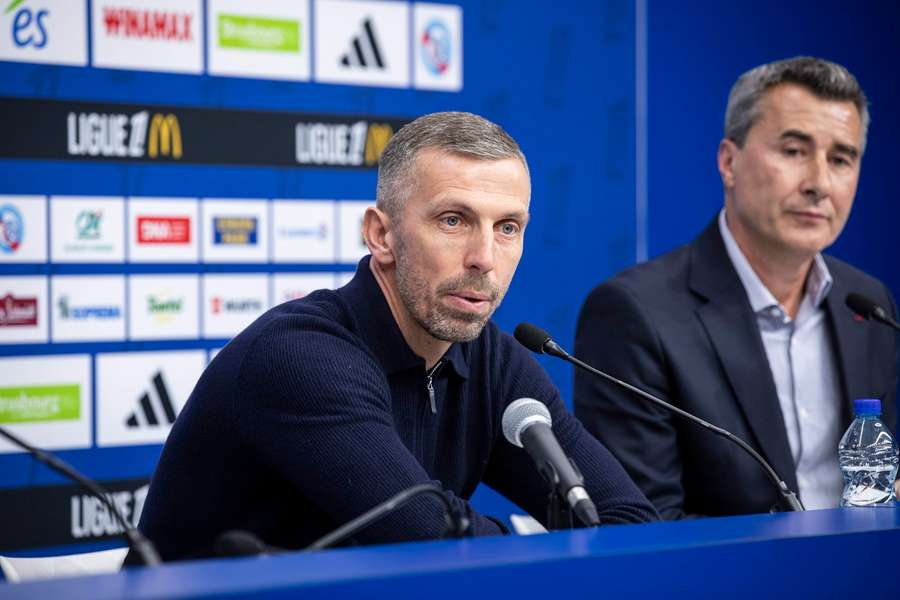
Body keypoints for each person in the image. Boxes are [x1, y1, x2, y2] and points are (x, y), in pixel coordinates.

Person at [131, 112, 656, 563]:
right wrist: (533, 538)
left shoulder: (491, 358)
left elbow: (629, 523)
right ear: (381, 235)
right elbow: (434, 546)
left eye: (508, 227)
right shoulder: (300, 356)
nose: (484, 258)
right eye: (454, 220)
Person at [574, 57, 898, 519]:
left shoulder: (866, 304)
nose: (820, 184)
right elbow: (645, 525)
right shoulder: (636, 313)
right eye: (793, 151)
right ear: (729, 161)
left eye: (841, 159)